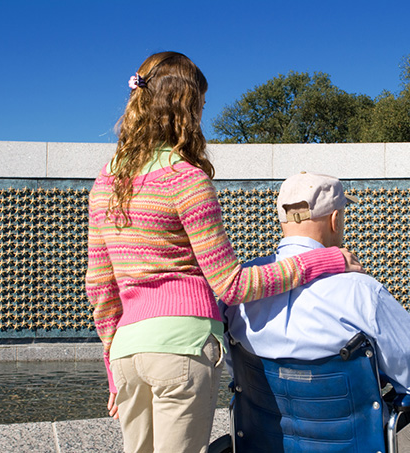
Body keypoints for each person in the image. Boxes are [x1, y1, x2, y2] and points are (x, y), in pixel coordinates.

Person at [85, 52, 362, 453]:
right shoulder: (185, 179)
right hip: (182, 347)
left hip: (128, 352)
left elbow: (99, 287)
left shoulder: (106, 184)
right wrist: (324, 260)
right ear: (187, 106)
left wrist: (113, 365)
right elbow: (232, 285)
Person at [222, 171, 410, 400]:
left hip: (262, 431)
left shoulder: (240, 291)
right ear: (334, 219)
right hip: (352, 434)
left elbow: (236, 373)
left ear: (281, 219)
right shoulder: (363, 292)